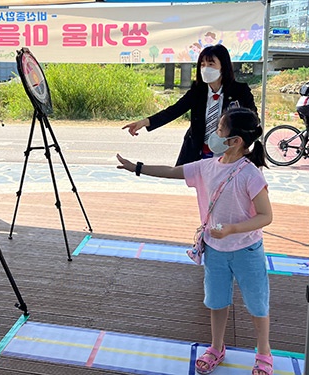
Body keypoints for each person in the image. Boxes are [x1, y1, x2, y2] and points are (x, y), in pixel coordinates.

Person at [117, 107, 274, 375]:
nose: (214, 134)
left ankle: (263, 351)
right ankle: (216, 347)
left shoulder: (250, 174)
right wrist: (137, 168)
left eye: (220, 130)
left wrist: (233, 228)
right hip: (215, 250)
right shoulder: (207, 167)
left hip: (247, 250)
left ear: (235, 141)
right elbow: (171, 171)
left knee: (257, 303)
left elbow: (266, 216)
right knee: (216, 301)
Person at [122, 44, 258, 166]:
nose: (205, 68)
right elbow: (174, 110)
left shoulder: (240, 91)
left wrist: (244, 144)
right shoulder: (198, 91)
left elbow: (253, 120)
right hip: (199, 151)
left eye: (211, 64)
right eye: (202, 64)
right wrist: (144, 122)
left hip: (229, 153)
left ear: (223, 66)